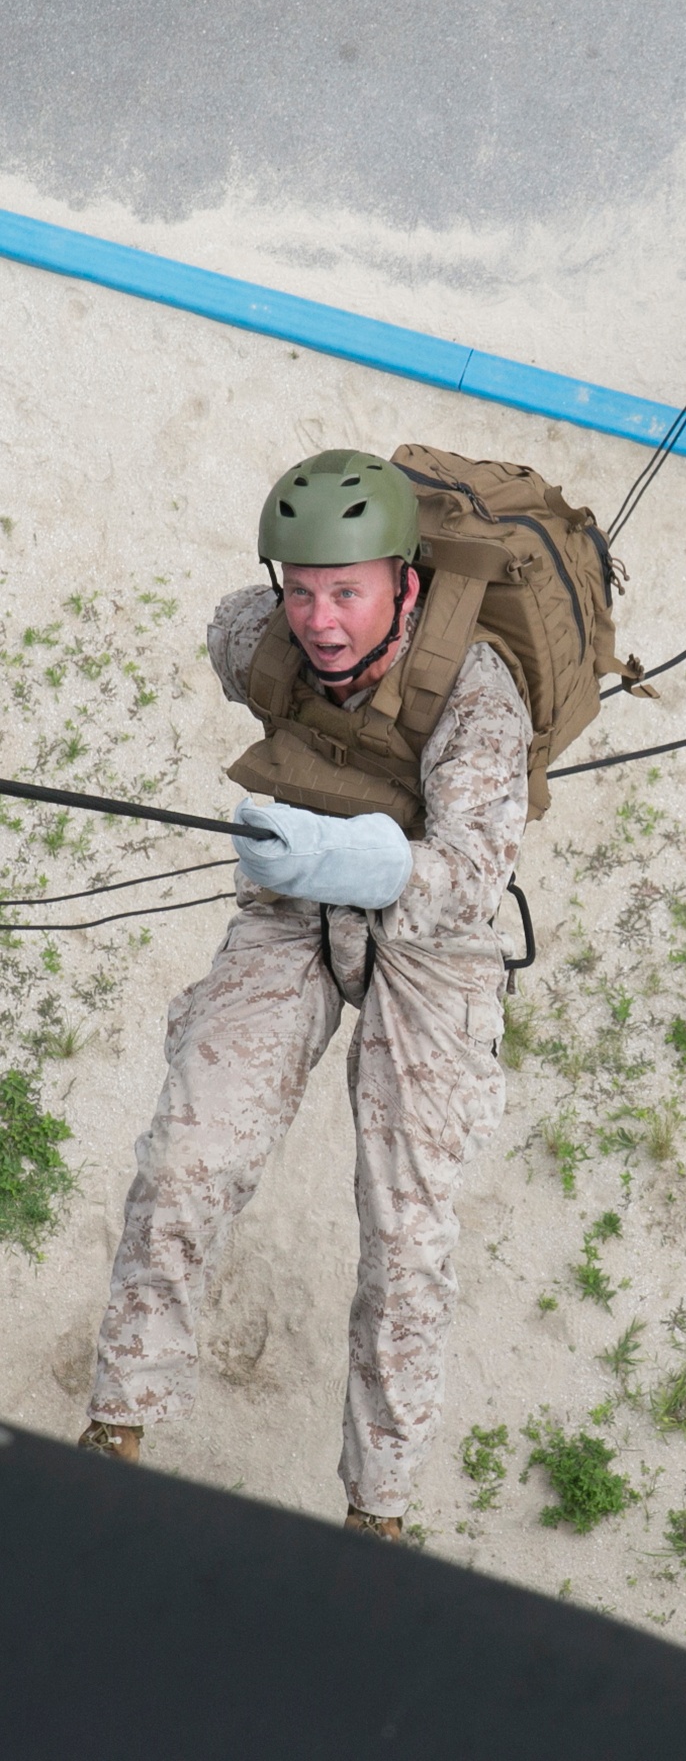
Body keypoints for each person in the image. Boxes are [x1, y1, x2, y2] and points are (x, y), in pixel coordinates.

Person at [78, 449, 532, 1540]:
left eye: (348, 593)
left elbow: (473, 874)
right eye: (303, 590)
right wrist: (304, 854)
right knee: (187, 1156)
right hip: (293, 909)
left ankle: (378, 1512)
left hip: (430, 940)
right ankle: (120, 1416)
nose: (321, 622)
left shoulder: (478, 697)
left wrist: (358, 861)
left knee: (406, 1240)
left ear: (405, 585)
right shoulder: (259, 635)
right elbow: (229, 640)